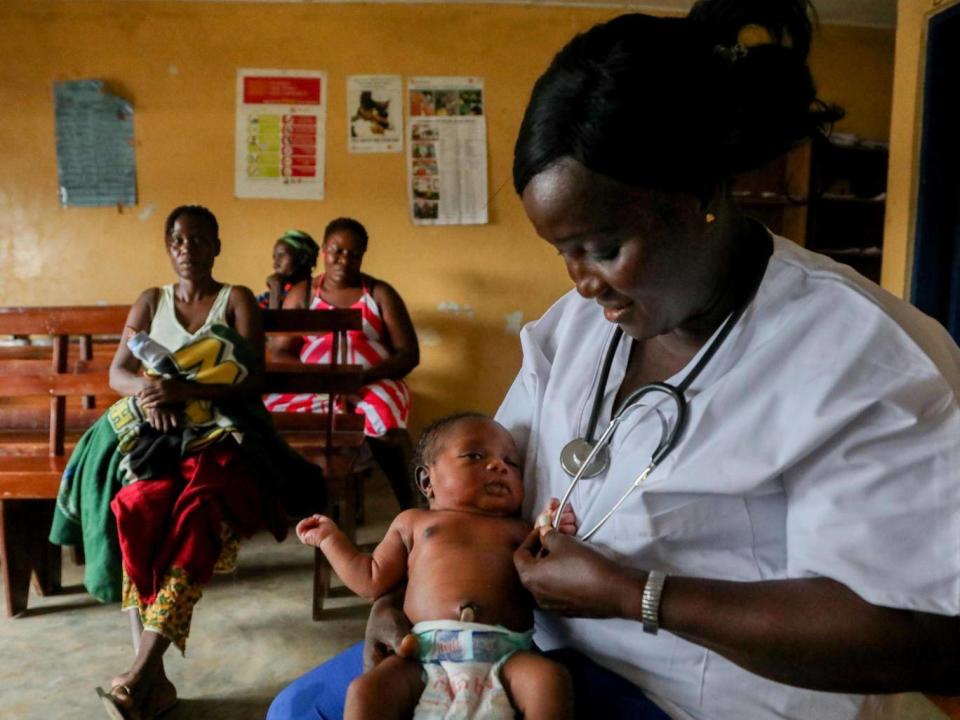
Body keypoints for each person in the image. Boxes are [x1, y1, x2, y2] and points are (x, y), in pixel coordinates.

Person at [269, 2, 960, 719]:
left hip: (703, 699)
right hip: (519, 656)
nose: (580, 282)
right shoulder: (574, 330)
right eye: (562, 253)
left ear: (700, 194)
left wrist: (638, 596)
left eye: (602, 248)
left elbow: (927, 636)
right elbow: (464, 497)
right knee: (299, 709)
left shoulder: (867, 359)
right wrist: (392, 597)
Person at [50, 205, 293, 720]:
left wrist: (187, 390)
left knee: (197, 514)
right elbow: (119, 371)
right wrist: (151, 396)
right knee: (133, 506)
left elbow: (252, 380)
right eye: (179, 240)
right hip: (155, 433)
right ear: (168, 247)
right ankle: (152, 680)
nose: (188, 249)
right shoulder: (150, 300)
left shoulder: (237, 300)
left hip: (220, 436)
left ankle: (138, 673)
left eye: (200, 240)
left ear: (217, 246)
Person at [296, 412, 574, 720]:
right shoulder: (413, 523)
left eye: (512, 463)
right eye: (475, 456)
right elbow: (370, 579)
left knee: (550, 680)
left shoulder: (519, 530)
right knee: (364, 692)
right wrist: (330, 540)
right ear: (427, 481)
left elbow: (543, 572)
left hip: (506, 653)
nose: (499, 466)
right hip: (422, 654)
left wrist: (552, 527)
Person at [265, 217, 421, 510]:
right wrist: (322, 380)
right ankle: (298, 507)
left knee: (387, 427)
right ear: (324, 251)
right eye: (337, 250)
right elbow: (281, 352)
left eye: (353, 252)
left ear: (363, 254)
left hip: (373, 381)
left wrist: (359, 378)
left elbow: (408, 353)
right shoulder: (303, 294)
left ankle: (412, 506)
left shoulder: (378, 293)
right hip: (314, 384)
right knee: (269, 421)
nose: (344, 259)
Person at [258, 229, 321, 309]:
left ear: (302, 258)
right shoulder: (267, 298)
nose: (275, 264)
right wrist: (275, 290)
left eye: (281, 256)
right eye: (274, 258)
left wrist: (275, 290)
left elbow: (279, 321)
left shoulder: (318, 294)